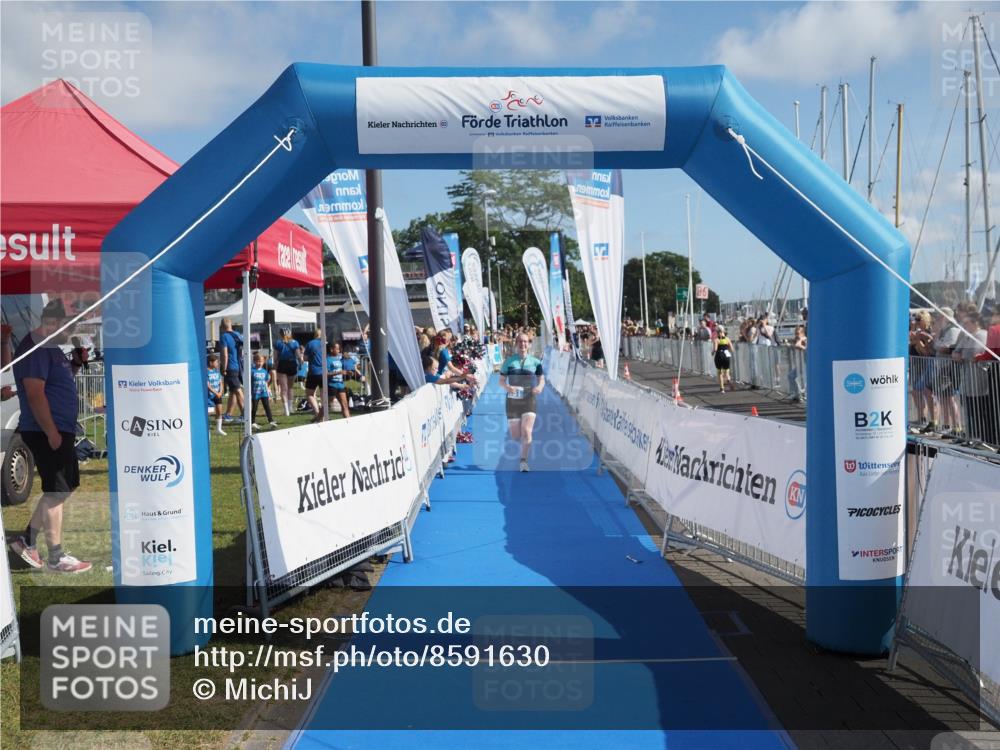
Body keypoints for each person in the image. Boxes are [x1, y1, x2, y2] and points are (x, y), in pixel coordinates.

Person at [8, 299, 92, 573]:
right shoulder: (36, 348)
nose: (71, 333)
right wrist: (51, 431)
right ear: (52, 322)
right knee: (57, 490)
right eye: (69, 327)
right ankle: (55, 557)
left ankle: (27, 540)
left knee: (64, 487)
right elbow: (35, 393)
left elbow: (57, 384)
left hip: (58, 429)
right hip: (45, 430)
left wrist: (76, 364)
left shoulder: (50, 347)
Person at [499, 333, 546, 472]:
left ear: (529, 344)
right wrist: (508, 387)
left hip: (529, 399)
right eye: (520, 341)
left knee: (526, 431)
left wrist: (539, 387)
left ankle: (523, 461)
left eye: (525, 341)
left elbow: (541, 379)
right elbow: (501, 381)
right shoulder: (509, 361)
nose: (522, 344)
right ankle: (522, 447)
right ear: (516, 344)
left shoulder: (536, 362)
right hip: (513, 401)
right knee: (515, 435)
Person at [218, 318, 245, 421]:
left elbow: (224, 354)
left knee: (237, 390)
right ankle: (228, 414)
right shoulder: (237, 335)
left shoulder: (224, 336)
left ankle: (246, 414)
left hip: (230, 366)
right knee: (233, 391)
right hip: (238, 366)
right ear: (231, 325)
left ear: (222, 326)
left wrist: (224, 368)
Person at [273, 328, 301, 417]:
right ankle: (290, 407)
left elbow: (275, 357)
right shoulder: (295, 343)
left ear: (281, 334)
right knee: (290, 387)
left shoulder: (278, 343)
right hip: (292, 364)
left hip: (282, 364)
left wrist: (275, 367)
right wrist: (300, 363)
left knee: (283, 388)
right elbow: (298, 355)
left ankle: (286, 410)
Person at [303, 328, 326, 422]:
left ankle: (317, 413)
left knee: (309, 394)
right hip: (325, 372)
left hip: (313, 372)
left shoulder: (310, 343)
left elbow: (305, 358)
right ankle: (323, 415)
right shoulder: (325, 343)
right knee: (324, 395)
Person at [250, 353, 278, 429]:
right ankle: (252, 422)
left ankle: (271, 420)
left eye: (261, 361)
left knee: (267, 406)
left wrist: (268, 392)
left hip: (264, 393)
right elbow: (249, 382)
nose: (259, 363)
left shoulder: (264, 371)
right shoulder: (251, 371)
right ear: (254, 361)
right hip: (255, 393)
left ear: (263, 362)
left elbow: (266, 382)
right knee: (254, 408)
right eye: (258, 361)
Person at [326, 342, 351, 419]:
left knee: (345, 405)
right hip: (332, 385)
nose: (339, 350)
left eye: (339, 349)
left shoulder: (339, 359)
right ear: (331, 349)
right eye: (337, 349)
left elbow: (341, 370)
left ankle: (349, 421)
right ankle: (318, 419)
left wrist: (348, 372)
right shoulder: (327, 360)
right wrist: (338, 372)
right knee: (326, 406)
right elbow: (326, 374)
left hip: (340, 385)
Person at [207, 354, 226, 436]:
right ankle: (207, 429)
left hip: (218, 395)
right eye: (216, 362)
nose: (218, 364)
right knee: (209, 413)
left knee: (219, 411)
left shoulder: (216, 371)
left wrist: (220, 392)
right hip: (209, 395)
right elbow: (208, 385)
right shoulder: (206, 372)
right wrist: (215, 392)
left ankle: (219, 429)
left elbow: (220, 382)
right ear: (211, 363)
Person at [713, 325, 733, 393]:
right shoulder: (727, 339)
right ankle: (728, 379)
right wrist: (727, 350)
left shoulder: (716, 340)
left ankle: (722, 388)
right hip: (726, 356)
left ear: (717, 332)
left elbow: (715, 349)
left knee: (720, 372)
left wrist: (712, 352)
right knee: (727, 371)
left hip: (719, 355)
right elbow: (732, 349)